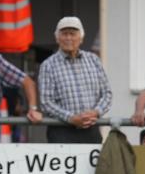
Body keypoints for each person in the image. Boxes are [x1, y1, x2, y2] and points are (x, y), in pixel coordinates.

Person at [38, 16, 112, 144]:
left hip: (91, 130)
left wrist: (96, 112)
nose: (68, 38)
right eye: (64, 34)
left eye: (72, 34)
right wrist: (71, 118)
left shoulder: (93, 60)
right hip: (61, 132)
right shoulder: (48, 65)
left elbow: (107, 93)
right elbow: (46, 102)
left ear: (81, 38)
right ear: (57, 38)